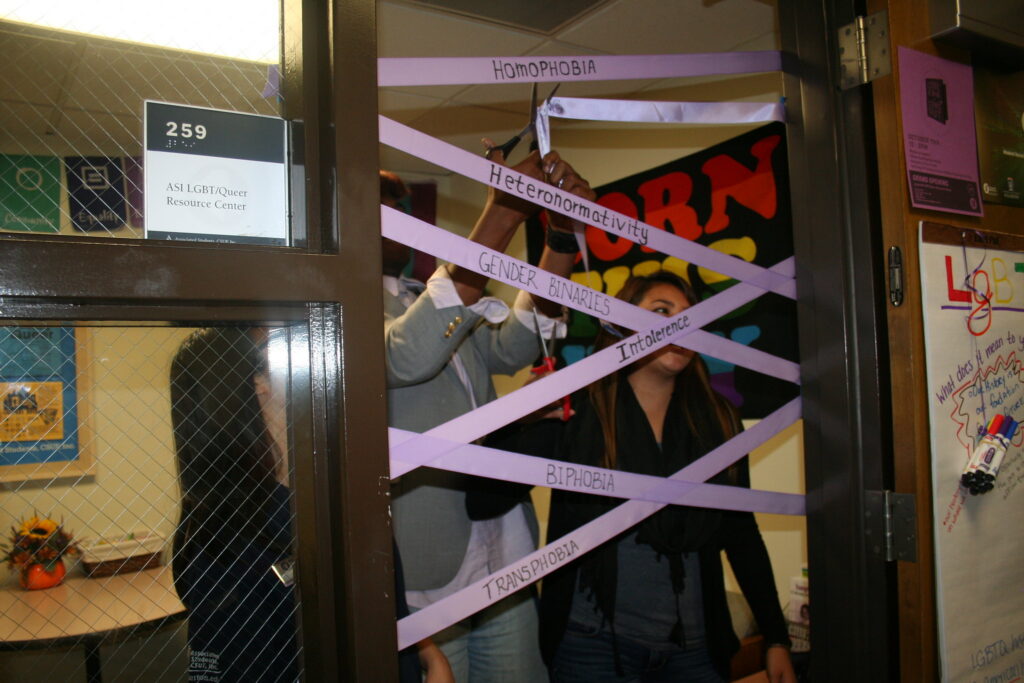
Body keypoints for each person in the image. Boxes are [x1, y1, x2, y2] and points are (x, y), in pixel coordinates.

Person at [489, 271, 796, 683]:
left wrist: (776, 638)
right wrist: (521, 418)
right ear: (622, 325)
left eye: (689, 317)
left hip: (697, 652)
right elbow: (485, 499)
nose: (678, 326)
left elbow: (740, 533)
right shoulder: (578, 407)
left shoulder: (719, 419)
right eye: (661, 312)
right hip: (591, 648)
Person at [381, 143, 593, 681]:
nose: (397, 223)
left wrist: (562, 236)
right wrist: (503, 213)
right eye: (380, 209)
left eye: (399, 210)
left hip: (504, 551)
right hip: (426, 580)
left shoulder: (417, 295)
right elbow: (411, 356)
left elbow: (515, 347)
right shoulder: (336, 315)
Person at [170, 327, 453, 682]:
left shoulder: (327, 501)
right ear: (261, 387)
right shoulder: (225, 550)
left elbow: (373, 605)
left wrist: (426, 652)